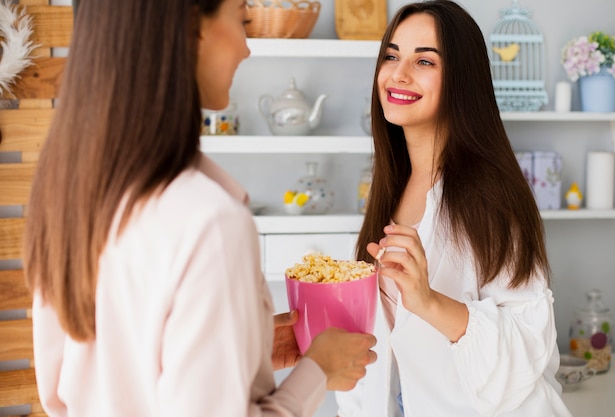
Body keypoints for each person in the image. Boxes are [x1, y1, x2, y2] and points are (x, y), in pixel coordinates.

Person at [23, 1, 377, 416]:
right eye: (241, 19)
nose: (247, 48)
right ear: (192, 27)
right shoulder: (210, 221)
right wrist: (319, 370)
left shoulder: (66, 193)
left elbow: (80, 384)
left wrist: (249, 350)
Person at [336, 1, 572, 416]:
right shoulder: (391, 188)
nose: (399, 73)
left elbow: (527, 346)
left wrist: (427, 301)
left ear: (462, 80)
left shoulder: (492, 195)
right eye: (391, 55)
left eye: (424, 60)